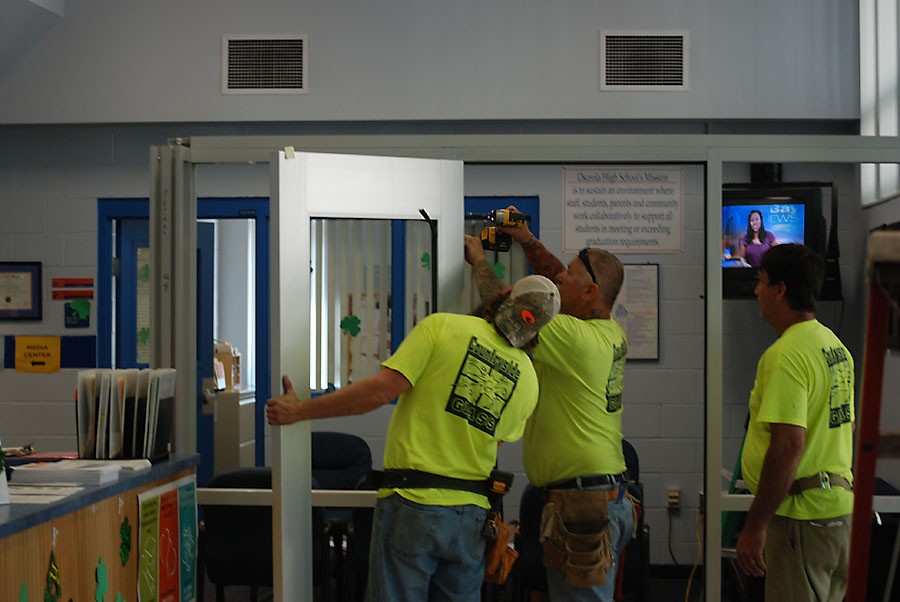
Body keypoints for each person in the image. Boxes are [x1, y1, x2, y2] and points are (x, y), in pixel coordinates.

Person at [266, 273, 560, 602]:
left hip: (413, 506)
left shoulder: (443, 327)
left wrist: (300, 411)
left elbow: (379, 392)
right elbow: (494, 441)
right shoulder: (530, 381)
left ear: (505, 294)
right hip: (472, 516)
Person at [464, 209, 633, 602]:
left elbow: (507, 311)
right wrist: (526, 239)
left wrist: (479, 262)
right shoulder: (607, 332)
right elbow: (562, 283)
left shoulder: (576, 338)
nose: (558, 276)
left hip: (583, 507)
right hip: (596, 498)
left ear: (589, 293)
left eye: (569, 274)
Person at [736, 243, 854, 602]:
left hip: (801, 519)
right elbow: (844, 427)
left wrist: (755, 526)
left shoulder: (786, 355)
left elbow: (788, 445)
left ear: (781, 289)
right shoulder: (835, 346)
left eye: (761, 281)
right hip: (837, 512)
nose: (756, 290)